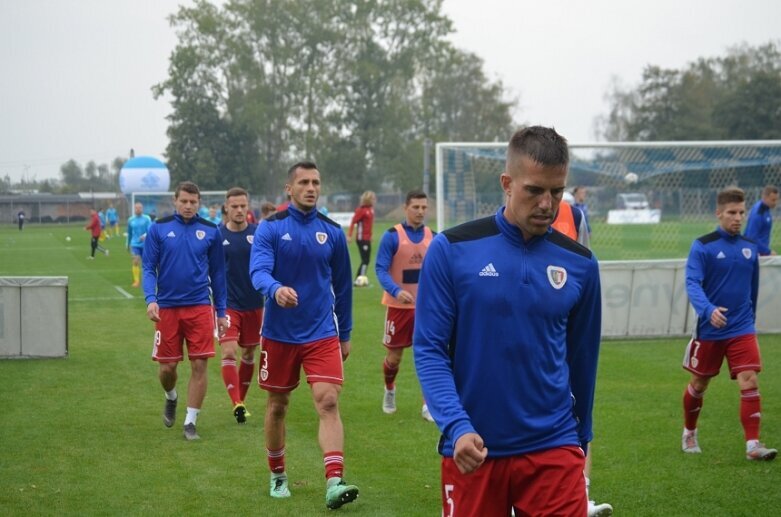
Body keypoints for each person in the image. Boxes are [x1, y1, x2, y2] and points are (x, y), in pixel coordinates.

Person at [413, 126, 602, 516]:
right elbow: (430, 349)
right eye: (534, 190)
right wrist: (456, 425)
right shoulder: (452, 250)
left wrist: (581, 441)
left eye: (557, 191)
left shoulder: (581, 264)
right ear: (507, 183)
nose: (547, 204)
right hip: (474, 448)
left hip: (554, 445)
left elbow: (583, 358)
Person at [250, 161, 359, 509]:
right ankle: (278, 473)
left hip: (321, 333)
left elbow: (343, 288)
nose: (311, 188)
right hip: (279, 335)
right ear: (289, 188)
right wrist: (275, 289)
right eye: (304, 182)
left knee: (328, 401)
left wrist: (346, 333)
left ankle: (334, 481)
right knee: (278, 406)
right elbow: (258, 271)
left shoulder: (333, 232)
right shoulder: (270, 228)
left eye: (316, 182)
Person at [681, 186, 776, 461]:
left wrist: (751, 319)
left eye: (742, 213)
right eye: (732, 213)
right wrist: (708, 310)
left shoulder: (750, 247)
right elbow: (692, 283)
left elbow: (753, 287)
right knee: (699, 384)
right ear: (719, 213)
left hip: (742, 326)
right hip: (710, 328)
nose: (738, 218)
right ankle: (689, 431)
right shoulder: (703, 245)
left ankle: (753, 445)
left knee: (750, 379)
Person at [142, 181, 228, 441]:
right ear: (175, 200)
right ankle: (171, 396)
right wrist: (151, 299)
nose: (189, 206)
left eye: (193, 202)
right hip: (167, 308)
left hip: (200, 306)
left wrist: (221, 312)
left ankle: (190, 421)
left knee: (199, 364)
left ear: (199, 203)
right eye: (184, 201)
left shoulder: (211, 231)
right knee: (167, 369)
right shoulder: (159, 228)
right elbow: (148, 268)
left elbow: (219, 274)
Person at [553, 193, 610, 516]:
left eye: (554, 191)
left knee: (580, 409)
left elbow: (585, 259)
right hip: (538, 324)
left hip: (569, 321)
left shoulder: (575, 216)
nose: (545, 201)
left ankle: (581, 495)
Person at [375, 190, 435, 421]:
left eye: (423, 207)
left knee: (429, 355)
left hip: (426, 309)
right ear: (405, 208)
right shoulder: (392, 236)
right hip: (398, 309)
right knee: (394, 358)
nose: (420, 211)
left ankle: (427, 405)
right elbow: (380, 269)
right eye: (416, 207)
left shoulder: (434, 237)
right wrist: (397, 291)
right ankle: (390, 389)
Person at [217, 187, 264, 424]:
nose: (239, 210)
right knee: (228, 351)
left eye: (243, 206)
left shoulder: (259, 234)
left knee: (248, 352)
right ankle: (236, 402)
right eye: (234, 206)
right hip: (227, 306)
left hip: (255, 304)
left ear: (248, 207)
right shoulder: (217, 236)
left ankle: (241, 402)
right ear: (226, 207)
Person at [348, 190, 376, 284]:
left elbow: (369, 225)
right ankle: (360, 278)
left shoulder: (371, 210)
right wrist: (349, 235)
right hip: (361, 238)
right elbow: (353, 222)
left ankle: (359, 278)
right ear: (368, 199)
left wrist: (371, 235)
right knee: (365, 260)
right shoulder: (361, 210)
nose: (374, 200)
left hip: (367, 238)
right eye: (372, 198)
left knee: (366, 260)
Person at [744, 185, 778, 256]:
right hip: (756, 253)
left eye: (776, 199)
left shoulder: (765, 210)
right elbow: (751, 237)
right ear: (765, 198)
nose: (775, 203)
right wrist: (767, 251)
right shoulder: (758, 213)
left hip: (760, 251)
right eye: (773, 200)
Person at [126, 202, 153, 287]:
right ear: (134, 209)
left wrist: (145, 235)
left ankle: (147, 280)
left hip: (146, 244)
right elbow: (129, 233)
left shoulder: (147, 218)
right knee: (135, 261)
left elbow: (151, 230)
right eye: (137, 208)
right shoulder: (131, 220)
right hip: (135, 244)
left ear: (142, 209)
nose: (138, 209)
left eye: (140, 208)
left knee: (146, 264)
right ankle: (136, 281)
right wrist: (127, 244)